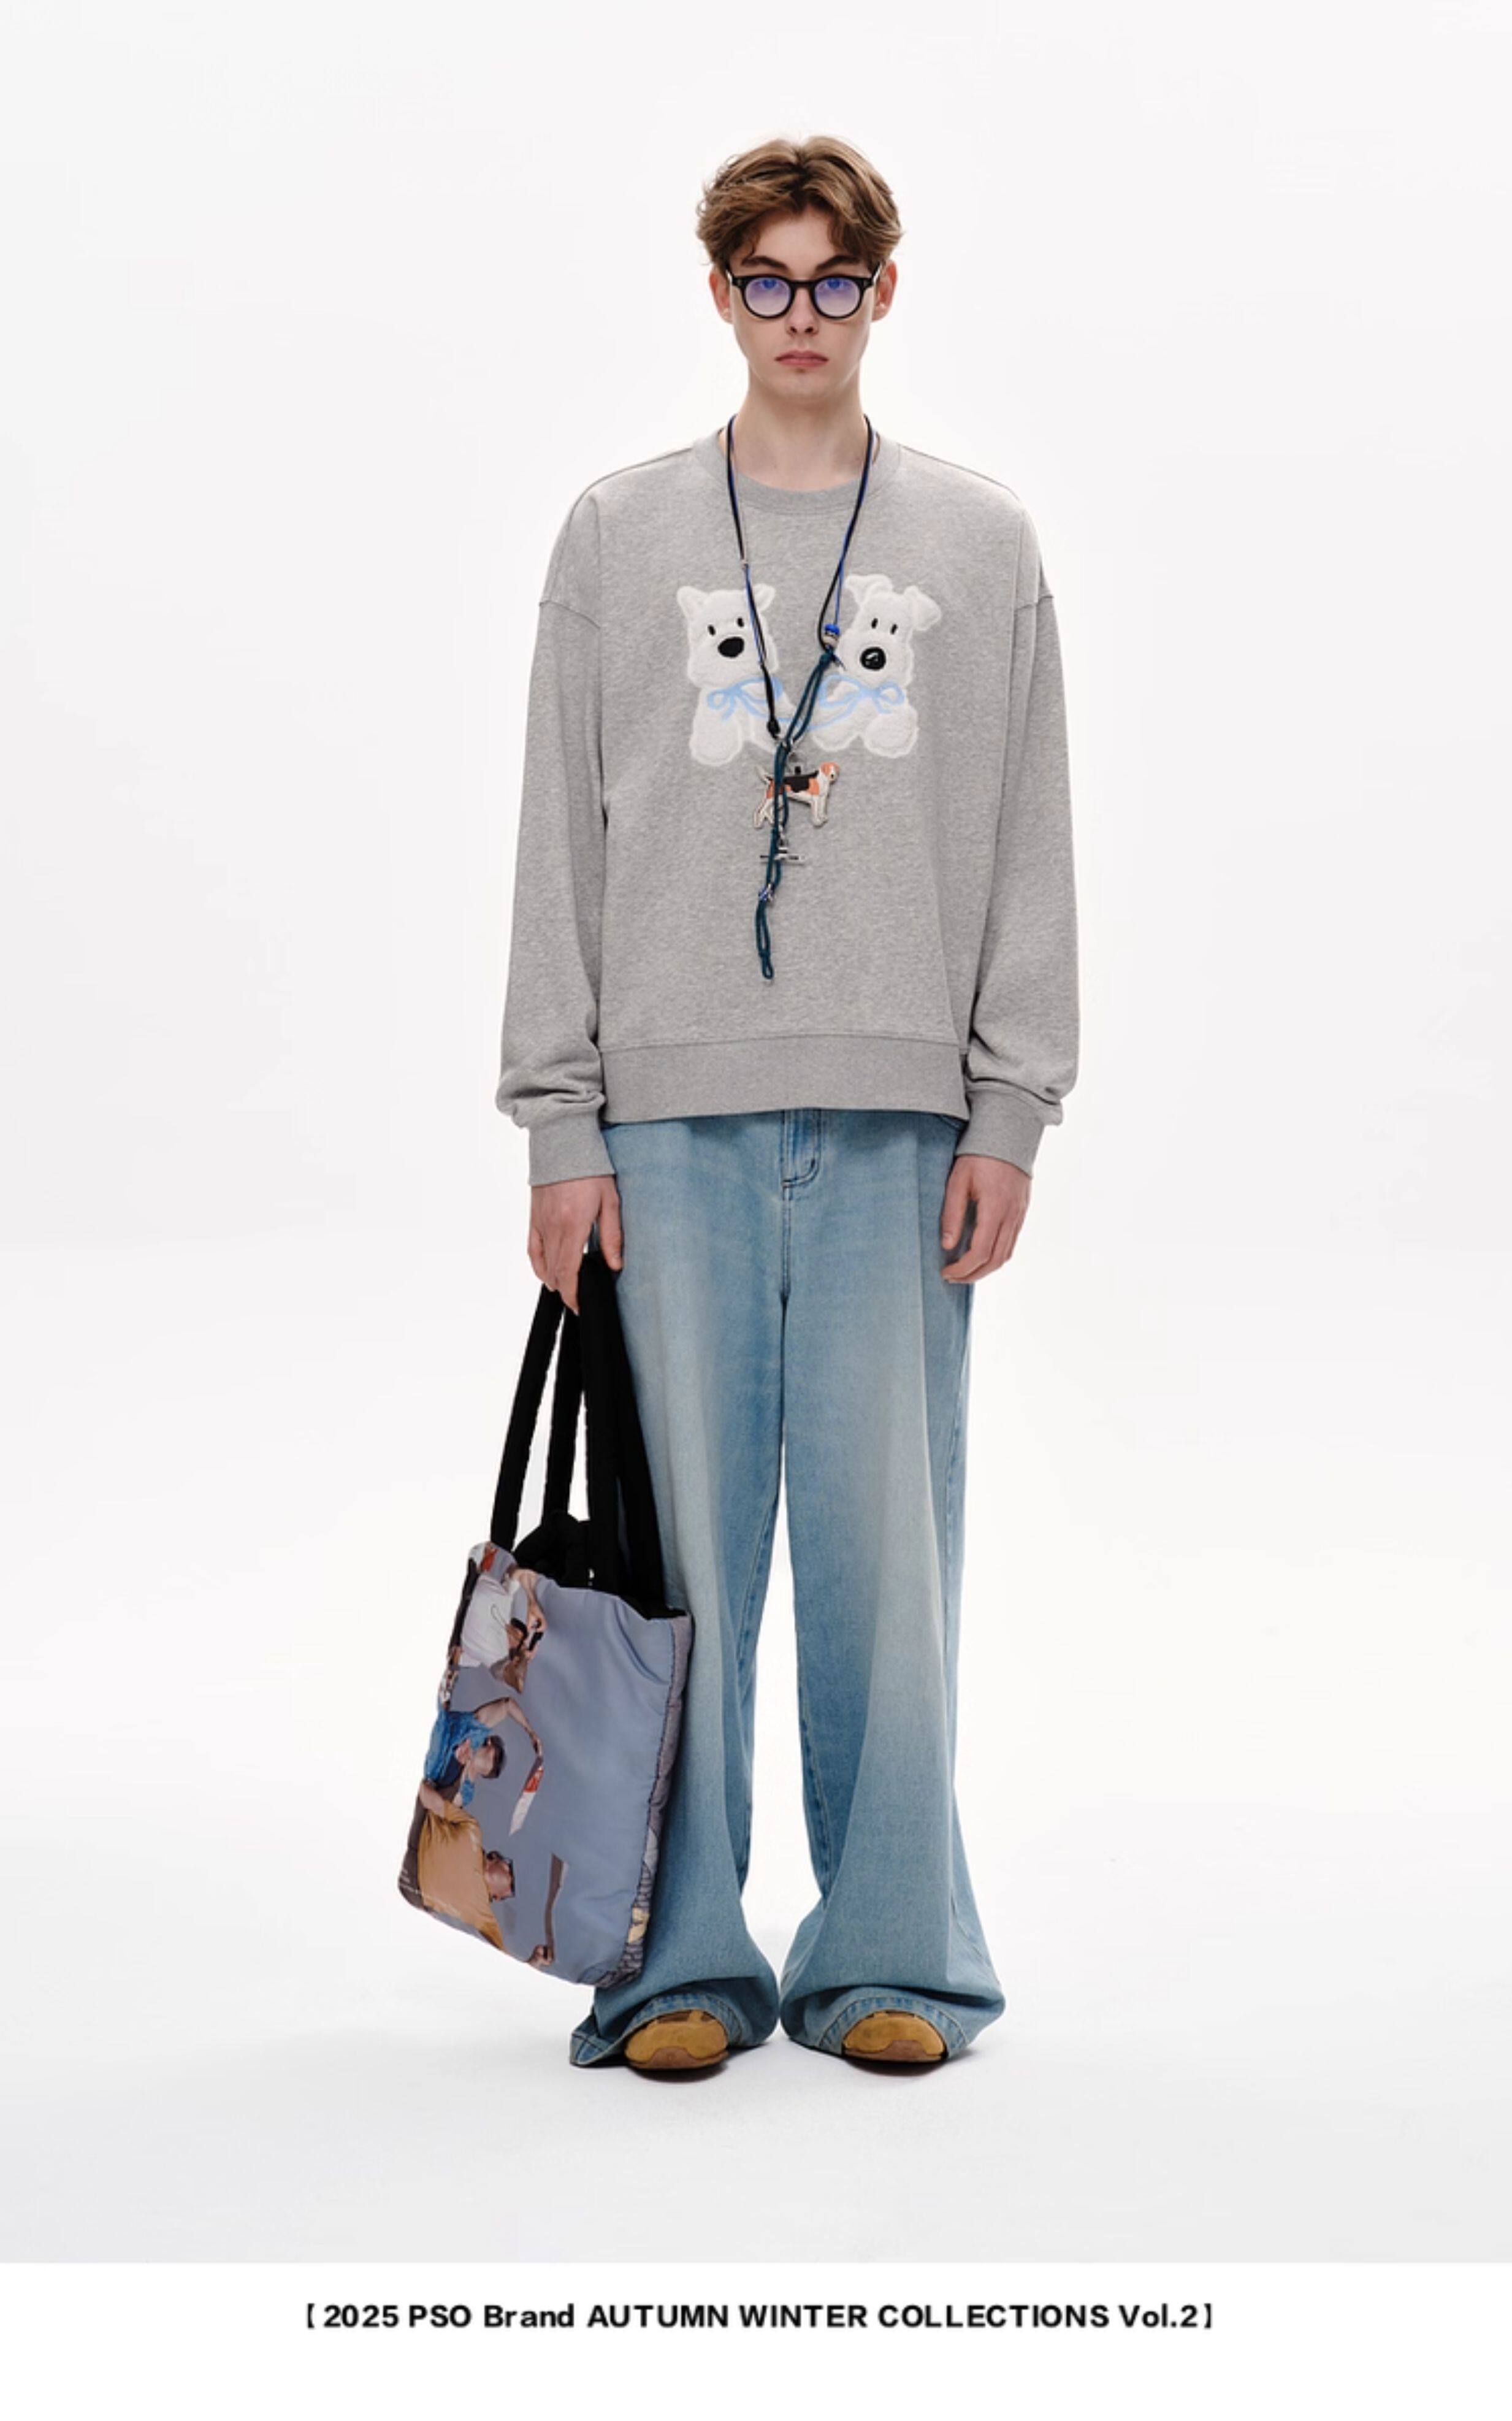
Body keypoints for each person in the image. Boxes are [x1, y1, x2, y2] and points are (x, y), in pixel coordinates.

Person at [496, 134, 1079, 2075]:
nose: (802, 315)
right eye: (768, 281)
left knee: (889, 1559)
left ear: (884, 293)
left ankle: (892, 1946)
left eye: (835, 281)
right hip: (665, 1123)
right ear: (721, 295)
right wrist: (559, 1122)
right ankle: (673, 1959)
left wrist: (1011, 1103)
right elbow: (558, 844)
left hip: (904, 1121)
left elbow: (1027, 838)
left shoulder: (980, 544)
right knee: (678, 1551)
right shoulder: (618, 534)